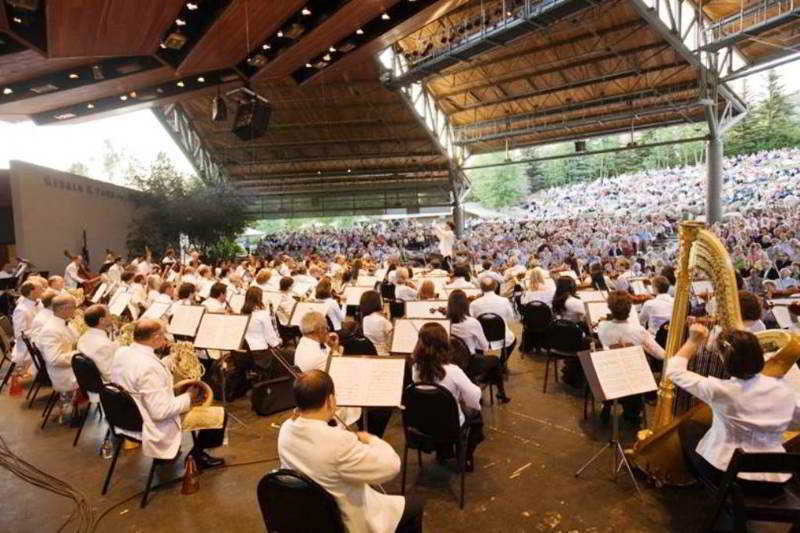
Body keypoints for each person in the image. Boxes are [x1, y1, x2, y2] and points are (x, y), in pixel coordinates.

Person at [278, 370, 423, 533]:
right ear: (330, 400)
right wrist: (370, 439)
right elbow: (391, 466)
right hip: (343, 519)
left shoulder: (286, 429)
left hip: (308, 513)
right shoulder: (339, 443)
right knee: (414, 504)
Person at [669, 324, 800, 494]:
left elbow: (674, 371)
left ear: (725, 360)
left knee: (688, 428)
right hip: (777, 480)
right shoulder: (784, 389)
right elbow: (795, 424)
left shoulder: (719, 390)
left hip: (729, 477)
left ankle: (705, 487)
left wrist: (693, 341)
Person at [111, 319, 226, 468]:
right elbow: (161, 412)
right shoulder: (149, 367)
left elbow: (144, 374)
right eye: (164, 335)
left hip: (127, 417)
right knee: (220, 413)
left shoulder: (123, 352)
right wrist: (189, 396)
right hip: (153, 424)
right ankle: (198, 456)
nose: (166, 339)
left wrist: (170, 361)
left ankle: (168, 458)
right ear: (156, 337)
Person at [410, 322, 483, 471]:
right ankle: (466, 457)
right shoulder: (453, 371)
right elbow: (474, 395)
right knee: (476, 417)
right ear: (445, 344)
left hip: (424, 423)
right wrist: (468, 404)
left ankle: (444, 451)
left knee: (440, 409)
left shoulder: (415, 368)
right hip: (450, 425)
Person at [447, 290, 510, 403]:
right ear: (466, 304)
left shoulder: (445, 322)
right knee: (495, 360)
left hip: (451, 362)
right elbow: (485, 346)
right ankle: (501, 393)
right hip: (470, 363)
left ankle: (476, 385)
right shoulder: (472, 322)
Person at [38, 295, 80, 415]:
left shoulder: (63, 322)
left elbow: (73, 341)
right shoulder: (50, 330)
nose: (75, 310)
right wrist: (80, 353)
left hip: (70, 366)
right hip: (64, 373)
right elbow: (54, 359)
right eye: (74, 307)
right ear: (64, 309)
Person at [469, 278, 516, 355]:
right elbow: (511, 318)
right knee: (513, 341)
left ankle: (480, 360)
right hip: (501, 337)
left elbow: (471, 322)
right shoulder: (504, 301)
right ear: (495, 287)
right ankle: (502, 362)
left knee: (473, 341)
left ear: (481, 288)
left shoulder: (474, 303)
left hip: (480, 339)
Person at [77, 304, 119, 382]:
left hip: (88, 383)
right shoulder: (104, 345)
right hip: (104, 388)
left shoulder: (83, 338)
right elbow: (110, 376)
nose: (111, 317)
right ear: (101, 320)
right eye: (109, 315)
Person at [10, 281, 42, 376]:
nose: (43, 291)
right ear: (32, 292)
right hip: (26, 347)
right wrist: (39, 330)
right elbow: (19, 334)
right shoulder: (21, 310)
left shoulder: (35, 303)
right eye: (41, 289)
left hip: (35, 339)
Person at [241, 286, 281, 351]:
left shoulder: (242, 312)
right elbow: (270, 338)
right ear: (259, 298)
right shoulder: (263, 314)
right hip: (260, 350)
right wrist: (278, 342)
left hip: (245, 349)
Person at [360, 290, 392, 356]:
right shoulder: (383, 321)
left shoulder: (364, 319)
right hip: (384, 354)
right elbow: (391, 343)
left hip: (369, 353)